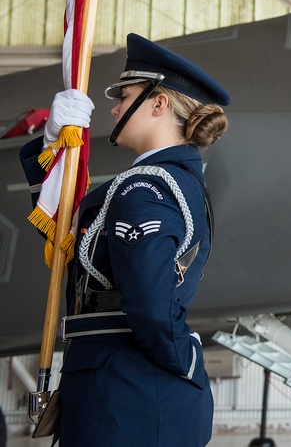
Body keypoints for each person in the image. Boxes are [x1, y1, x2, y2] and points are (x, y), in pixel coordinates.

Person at [20, 33, 230, 446]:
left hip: (129, 401)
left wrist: (183, 362)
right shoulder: (155, 183)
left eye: (126, 94)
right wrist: (51, 144)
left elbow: (150, 305)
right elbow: (71, 238)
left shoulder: (146, 189)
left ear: (159, 102)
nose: (114, 107)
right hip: (126, 397)